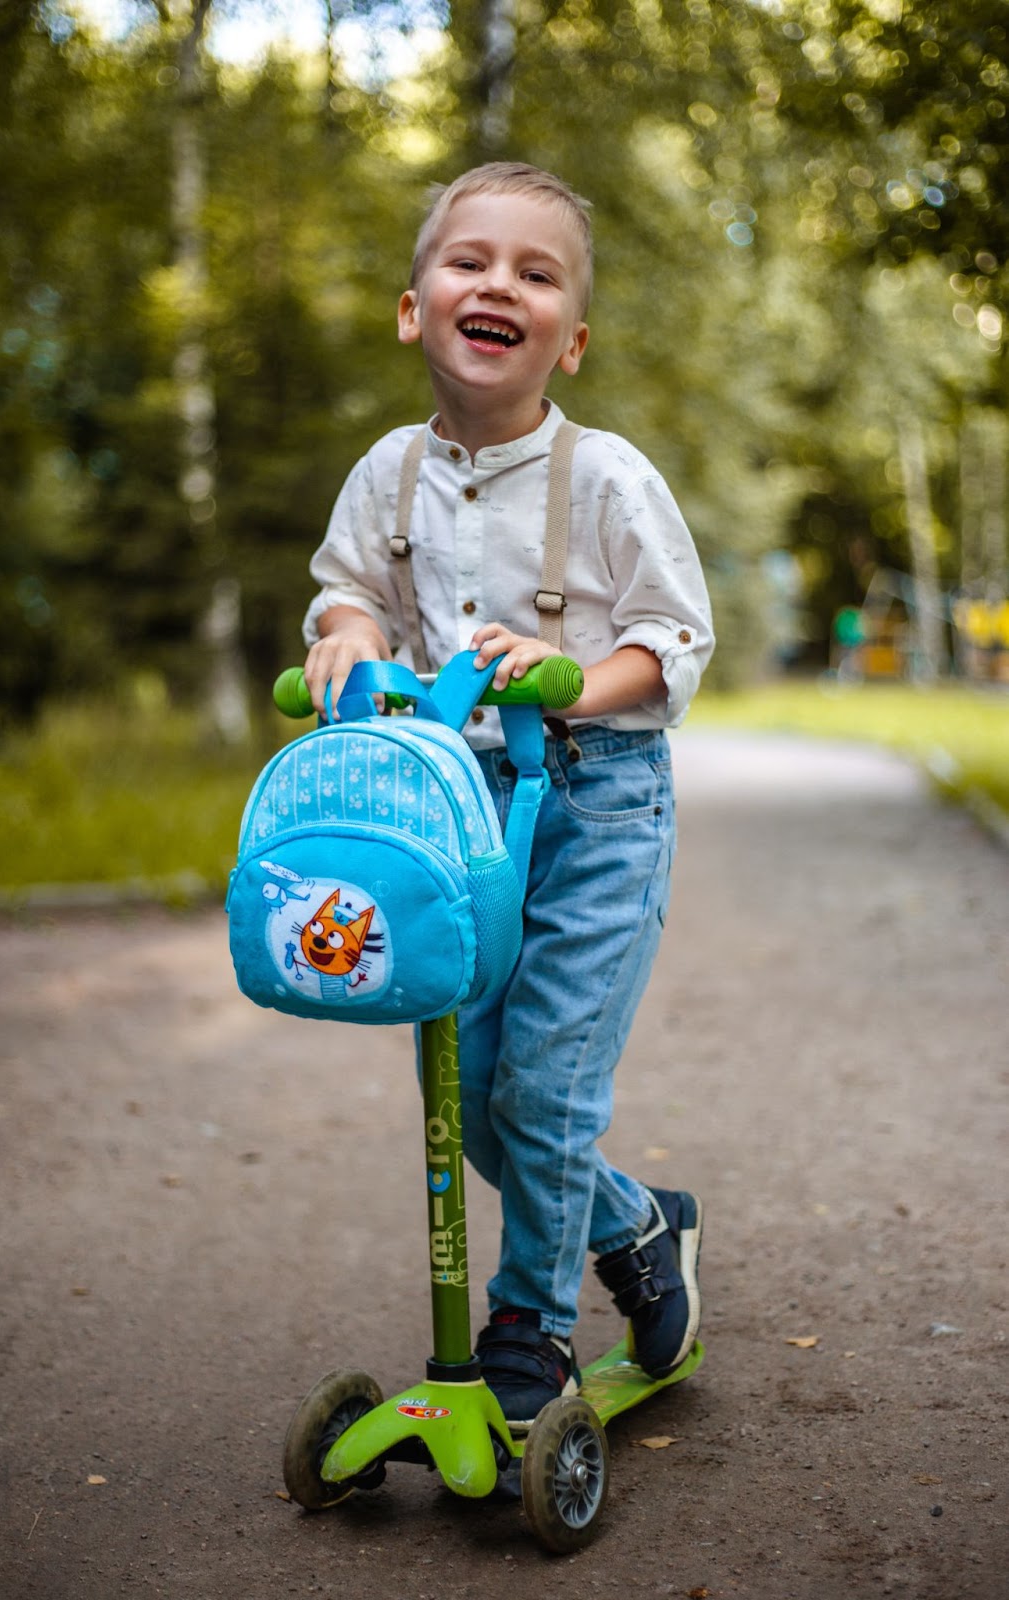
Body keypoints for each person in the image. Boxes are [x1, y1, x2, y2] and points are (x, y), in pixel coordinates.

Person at [302, 162, 714, 1430]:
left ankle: (528, 1317)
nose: (499, 285)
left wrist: (578, 677)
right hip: (455, 812)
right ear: (414, 309)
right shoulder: (387, 473)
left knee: (543, 1087)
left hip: (598, 807)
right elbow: (347, 584)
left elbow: (676, 637)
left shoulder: (606, 479)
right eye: (469, 262)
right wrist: (345, 632)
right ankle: (640, 1224)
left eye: (536, 275)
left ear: (569, 341)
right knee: (472, 1098)